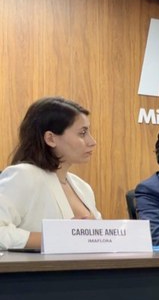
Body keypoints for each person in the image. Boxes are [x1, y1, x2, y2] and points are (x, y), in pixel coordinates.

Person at [0, 97, 100, 250]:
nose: (92, 141)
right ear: (50, 138)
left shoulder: (83, 187)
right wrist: (55, 238)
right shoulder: (23, 176)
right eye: (82, 133)